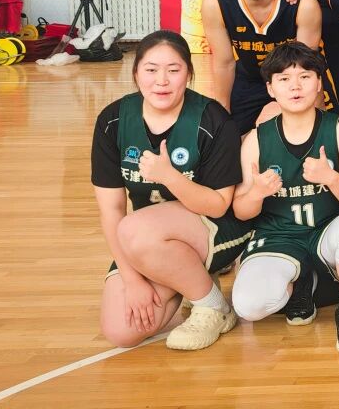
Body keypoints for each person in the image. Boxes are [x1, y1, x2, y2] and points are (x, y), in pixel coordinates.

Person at [92, 31, 251, 351]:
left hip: (216, 228)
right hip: (149, 239)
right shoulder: (113, 120)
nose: (161, 81)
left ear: (189, 73)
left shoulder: (213, 119)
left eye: (173, 70)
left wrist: (169, 177)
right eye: (151, 69)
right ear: (136, 73)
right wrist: (133, 280)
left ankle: (213, 307)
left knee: (134, 228)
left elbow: (219, 205)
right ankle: (191, 279)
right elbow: (111, 210)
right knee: (121, 331)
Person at [230, 42, 339, 352]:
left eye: (305, 77)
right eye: (284, 79)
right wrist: (256, 193)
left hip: (327, 234)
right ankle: (302, 283)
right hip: (278, 238)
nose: (295, 86)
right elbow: (241, 211)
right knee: (248, 306)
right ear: (270, 88)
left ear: (319, 83)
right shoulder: (257, 138)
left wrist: (331, 178)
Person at [202, 0, 322, 133]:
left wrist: (293, 106)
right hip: (248, 79)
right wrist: (222, 114)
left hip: (290, 78)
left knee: (295, 131)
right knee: (228, 137)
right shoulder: (216, 1)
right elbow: (224, 63)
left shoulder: (304, 3)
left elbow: (306, 68)